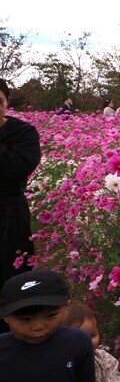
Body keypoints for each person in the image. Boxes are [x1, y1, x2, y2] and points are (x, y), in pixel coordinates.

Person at [0, 79, 41, 290]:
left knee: (13, 276)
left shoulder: (24, 132)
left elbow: (20, 167)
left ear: (7, 102)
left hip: (9, 211)